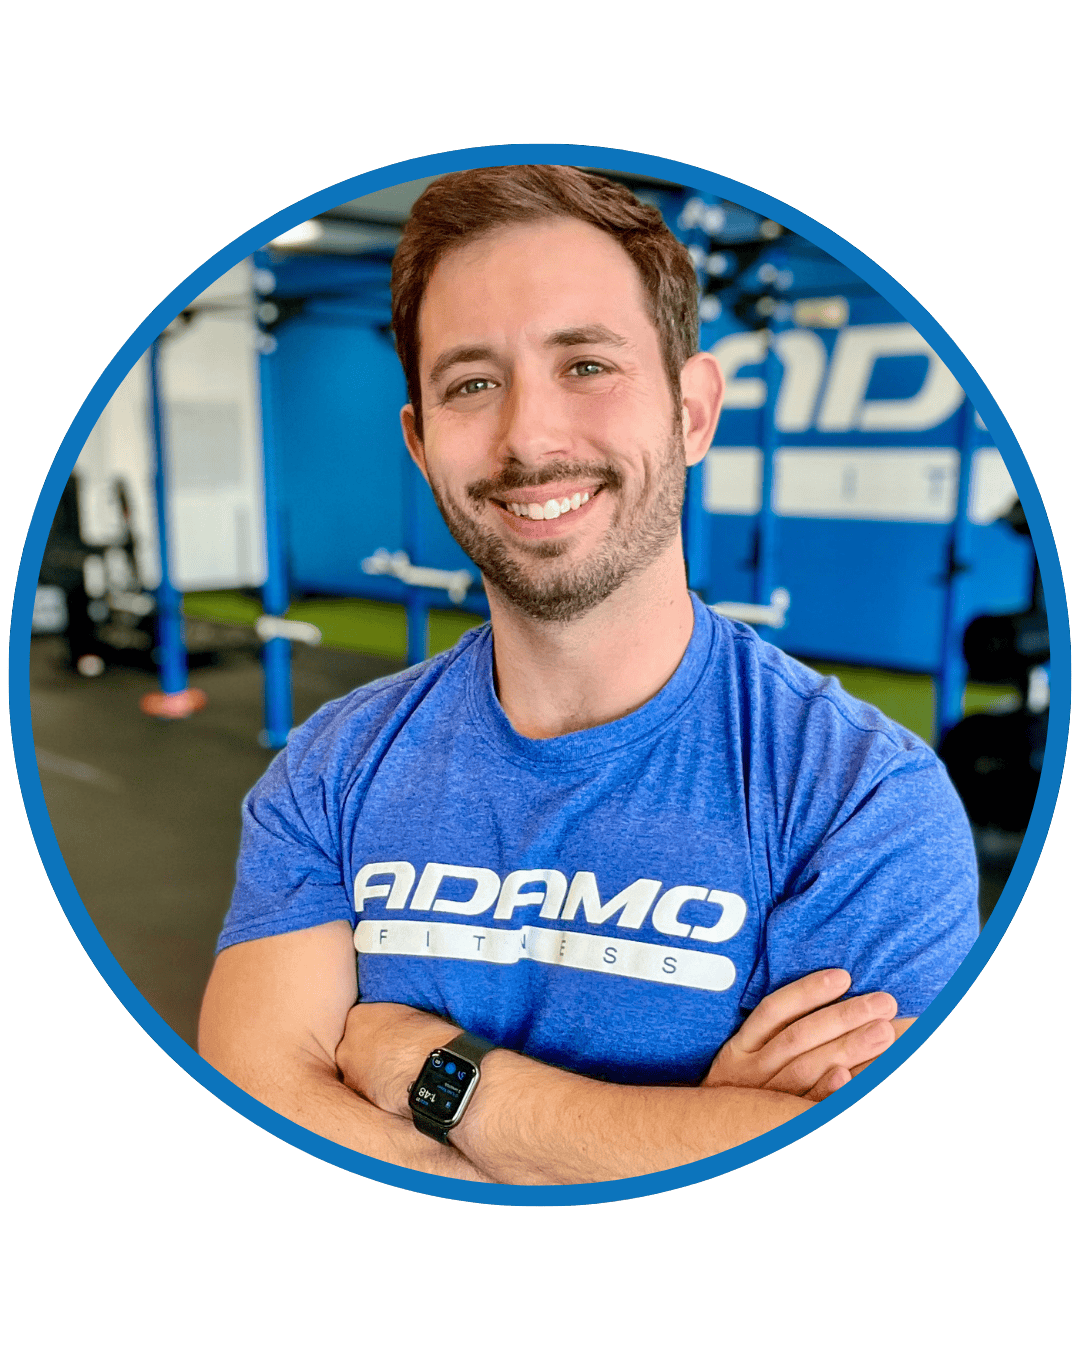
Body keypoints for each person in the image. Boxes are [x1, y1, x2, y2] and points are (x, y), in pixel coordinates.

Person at [198, 165, 978, 1185]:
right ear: (421, 444)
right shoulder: (329, 772)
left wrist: (430, 1071)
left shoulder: (861, 800)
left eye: (586, 365)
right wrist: (685, 1135)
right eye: (472, 384)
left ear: (693, 411)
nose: (530, 437)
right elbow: (263, 1112)